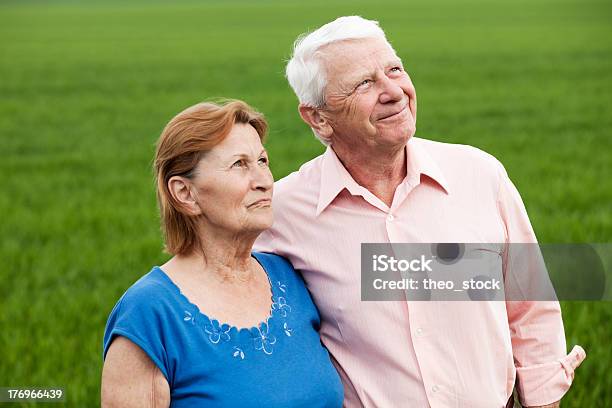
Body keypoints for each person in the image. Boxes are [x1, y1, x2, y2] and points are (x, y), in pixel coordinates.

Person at [254, 16, 586, 408]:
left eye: (394, 69)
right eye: (364, 83)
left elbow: (530, 305)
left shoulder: (478, 175)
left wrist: (543, 401)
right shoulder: (282, 212)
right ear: (318, 117)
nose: (393, 91)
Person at [101, 100, 343, 407]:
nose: (265, 182)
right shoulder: (149, 314)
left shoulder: (289, 278)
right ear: (185, 193)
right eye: (240, 164)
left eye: (263, 161)